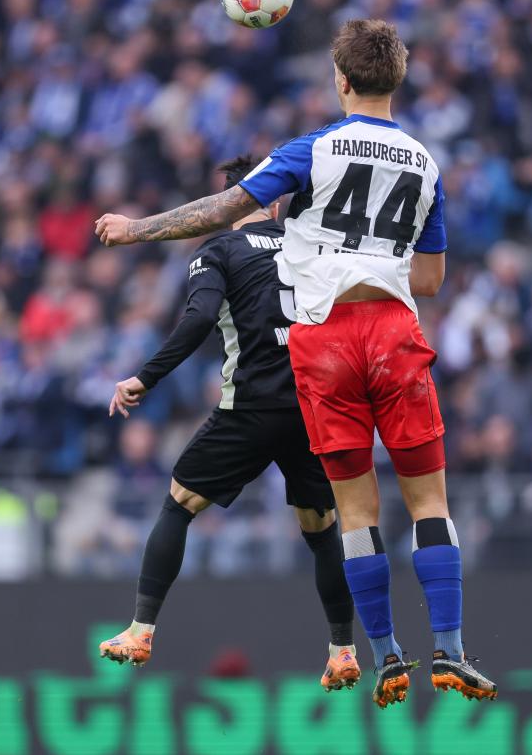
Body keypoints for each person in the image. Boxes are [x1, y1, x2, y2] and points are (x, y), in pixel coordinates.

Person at [96, 19, 497, 708]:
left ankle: (383, 655)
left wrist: (138, 227)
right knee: (430, 501)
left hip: (325, 341)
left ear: (340, 80)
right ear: (397, 80)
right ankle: (452, 648)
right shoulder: (426, 165)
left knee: (353, 511)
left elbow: (227, 208)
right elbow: (430, 280)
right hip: (394, 330)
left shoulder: (311, 150)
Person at [98, 157, 362, 694]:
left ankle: (141, 629)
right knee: (321, 528)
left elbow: (198, 320)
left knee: (178, 503)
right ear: (276, 202)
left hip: (250, 408)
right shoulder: (311, 246)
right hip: (313, 408)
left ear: (230, 205)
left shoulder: (217, 250)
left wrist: (145, 379)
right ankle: (342, 650)